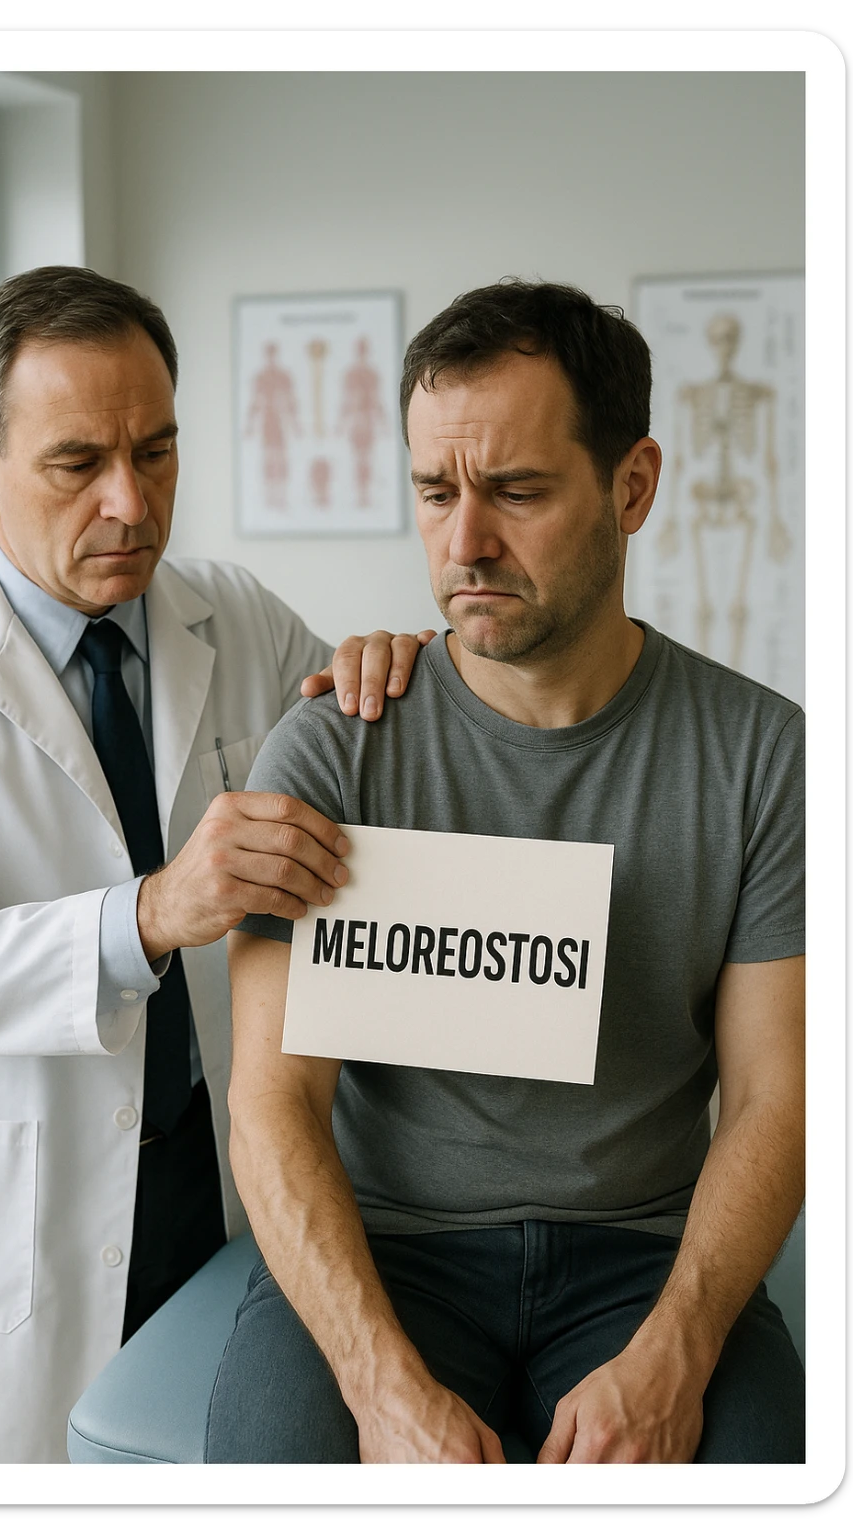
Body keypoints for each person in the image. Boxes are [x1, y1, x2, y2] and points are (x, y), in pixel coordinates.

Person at [207, 279, 806, 1464]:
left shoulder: (762, 757)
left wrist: (676, 1349)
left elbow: (774, 1097)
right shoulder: (332, 745)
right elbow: (272, 1102)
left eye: (517, 492)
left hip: (641, 1256)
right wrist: (380, 1384)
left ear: (631, 487)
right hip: (383, 1249)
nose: (463, 543)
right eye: (436, 493)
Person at [0, 265, 435, 1464]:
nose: (132, 504)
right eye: (78, 463)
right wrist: (152, 912)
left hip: (222, 1189)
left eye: (160, 451)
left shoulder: (234, 615)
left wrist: (397, 673)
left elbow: (369, 785)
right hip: (18, 1221)